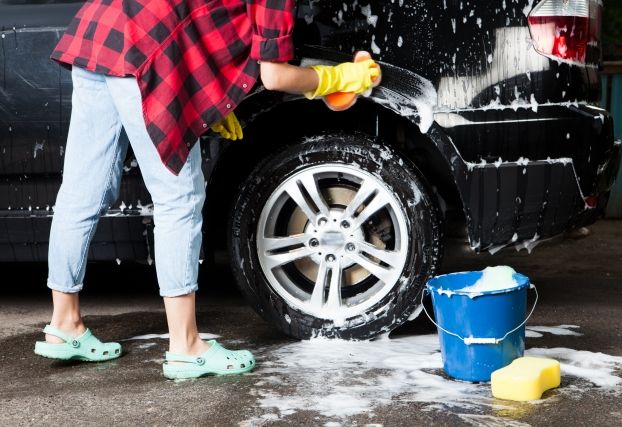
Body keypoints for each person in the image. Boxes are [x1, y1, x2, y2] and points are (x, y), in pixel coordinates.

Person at [33, 0, 380, 379]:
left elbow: (201, 20)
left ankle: (64, 324)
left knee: (83, 188)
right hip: (144, 47)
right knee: (178, 200)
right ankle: (185, 347)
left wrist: (215, 103)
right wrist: (338, 79)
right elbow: (275, 76)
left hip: (100, 30)